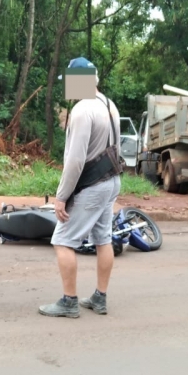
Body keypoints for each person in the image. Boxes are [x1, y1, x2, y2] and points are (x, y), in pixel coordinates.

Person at [38, 57, 123, 318]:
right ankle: (100, 297)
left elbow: (75, 161)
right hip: (111, 181)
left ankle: (69, 301)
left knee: (62, 240)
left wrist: (61, 197)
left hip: (91, 185)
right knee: (103, 238)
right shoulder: (109, 105)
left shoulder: (82, 110)